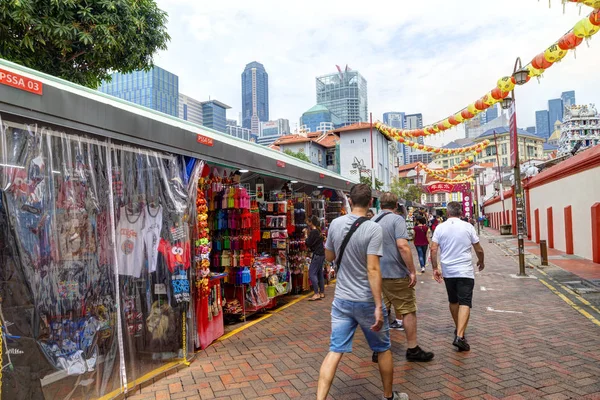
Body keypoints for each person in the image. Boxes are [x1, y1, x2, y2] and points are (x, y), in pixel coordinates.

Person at [318, 184, 407, 400]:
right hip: (366, 300)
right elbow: (373, 268)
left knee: (335, 350)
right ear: (370, 203)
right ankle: (388, 396)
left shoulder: (335, 224)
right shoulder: (373, 228)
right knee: (383, 348)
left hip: (342, 300)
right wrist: (379, 305)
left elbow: (328, 257)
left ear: (349, 200)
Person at [373, 192, 434, 364]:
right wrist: (412, 271)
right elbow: (403, 246)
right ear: (396, 205)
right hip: (396, 273)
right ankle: (413, 348)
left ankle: (378, 349)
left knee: (381, 311)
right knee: (407, 309)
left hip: (377, 274)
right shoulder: (397, 220)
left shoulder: (372, 221)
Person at [430, 201, 485, 352]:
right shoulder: (468, 227)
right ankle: (460, 335)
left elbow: (433, 249)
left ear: (447, 213)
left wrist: (435, 268)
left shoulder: (440, 228)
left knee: (453, 301)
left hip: (448, 271)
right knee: (465, 302)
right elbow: (479, 249)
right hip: (465, 271)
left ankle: (458, 330)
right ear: (461, 213)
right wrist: (481, 261)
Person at [305, 215, 325, 301]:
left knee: (312, 273)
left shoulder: (313, 232)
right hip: (321, 254)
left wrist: (306, 234)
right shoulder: (318, 231)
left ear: (311, 222)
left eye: (308, 221)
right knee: (319, 273)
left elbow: (308, 243)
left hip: (317, 254)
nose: (307, 223)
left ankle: (316, 293)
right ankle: (322, 292)